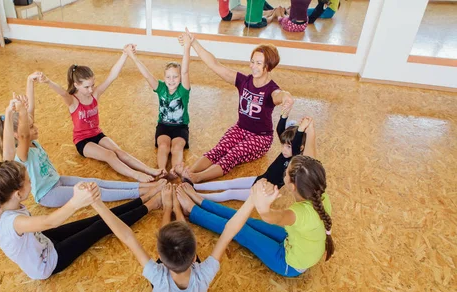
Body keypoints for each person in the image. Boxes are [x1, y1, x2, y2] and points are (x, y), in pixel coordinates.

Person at [0, 77, 165, 207]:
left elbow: (30, 112)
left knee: (96, 182)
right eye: (31, 127)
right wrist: (17, 112)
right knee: (94, 192)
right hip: (48, 194)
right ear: (18, 135)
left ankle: (141, 186)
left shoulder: (30, 141)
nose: (36, 128)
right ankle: (145, 191)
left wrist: (29, 82)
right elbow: (25, 132)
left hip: (57, 180)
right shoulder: (22, 153)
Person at [89, 183, 251, 292]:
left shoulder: (158, 276)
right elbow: (229, 230)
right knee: (183, 238)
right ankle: (177, 210)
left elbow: (127, 237)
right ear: (194, 258)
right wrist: (253, 201)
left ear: (160, 258)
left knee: (173, 237)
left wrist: (97, 204)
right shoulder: (203, 275)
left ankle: (168, 208)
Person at [0, 160, 162, 280]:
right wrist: (76, 201)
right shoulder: (14, 222)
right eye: (29, 181)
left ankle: (142, 199)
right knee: (100, 226)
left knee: (97, 219)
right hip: (49, 263)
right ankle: (151, 205)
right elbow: (49, 222)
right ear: (18, 194)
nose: (31, 182)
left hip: (42, 241)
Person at [176, 155, 334, 277]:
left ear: (292, 186)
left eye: (286, 171)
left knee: (241, 230)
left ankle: (193, 210)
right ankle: (200, 201)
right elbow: (311, 161)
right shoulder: (320, 193)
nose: (283, 171)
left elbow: (268, 216)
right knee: (246, 221)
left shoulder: (299, 213)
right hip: (292, 241)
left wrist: (261, 198)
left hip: (288, 262)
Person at [174, 29, 294, 184]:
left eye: (259, 63)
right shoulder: (243, 81)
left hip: (260, 138)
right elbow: (214, 64)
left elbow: (279, 95)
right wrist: (193, 42)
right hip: (240, 129)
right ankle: (189, 172)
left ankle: (197, 178)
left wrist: (286, 96)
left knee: (233, 154)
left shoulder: (271, 89)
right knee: (219, 149)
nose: (253, 66)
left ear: (268, 66)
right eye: (252, 61)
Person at [40, 45, 165, 182]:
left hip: (97, 134)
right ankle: (137, 175)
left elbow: (112, 76)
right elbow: (63, 92)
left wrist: (124, 54)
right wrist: (47, 81)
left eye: (92, 85)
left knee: (120, 152)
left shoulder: (95, 94)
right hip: (83, 141)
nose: (90, 89)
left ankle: (149, 170)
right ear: (76, 85)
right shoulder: (73, 101)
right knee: (109, 155)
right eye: (86, 87)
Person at [193, 114, 316, 202]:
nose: (284, 149)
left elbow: (294, 146)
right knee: (229, 183)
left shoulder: (295, 158)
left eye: (288, 146)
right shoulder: (287, 152)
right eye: (283, 145)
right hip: (261, 179)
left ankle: (197, 196)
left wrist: (301, 129)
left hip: (265, 191)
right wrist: (285, 113)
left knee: (230, 193)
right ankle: (195, 187)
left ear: (300, 148)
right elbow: (280, 131)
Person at [125, 40, 191, 180]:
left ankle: (175, 169)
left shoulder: (183, 90)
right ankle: (161, 170)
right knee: (163, 146)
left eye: (175, 77)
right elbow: (147, 75)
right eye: (168, 77)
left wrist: (187, 47)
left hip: (181, 127)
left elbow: (185, 71)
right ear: (164, 78)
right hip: (163, 126)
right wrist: (133, 56)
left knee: (177, 147)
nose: (171, 80)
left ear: (180, 78)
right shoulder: (161, 88)